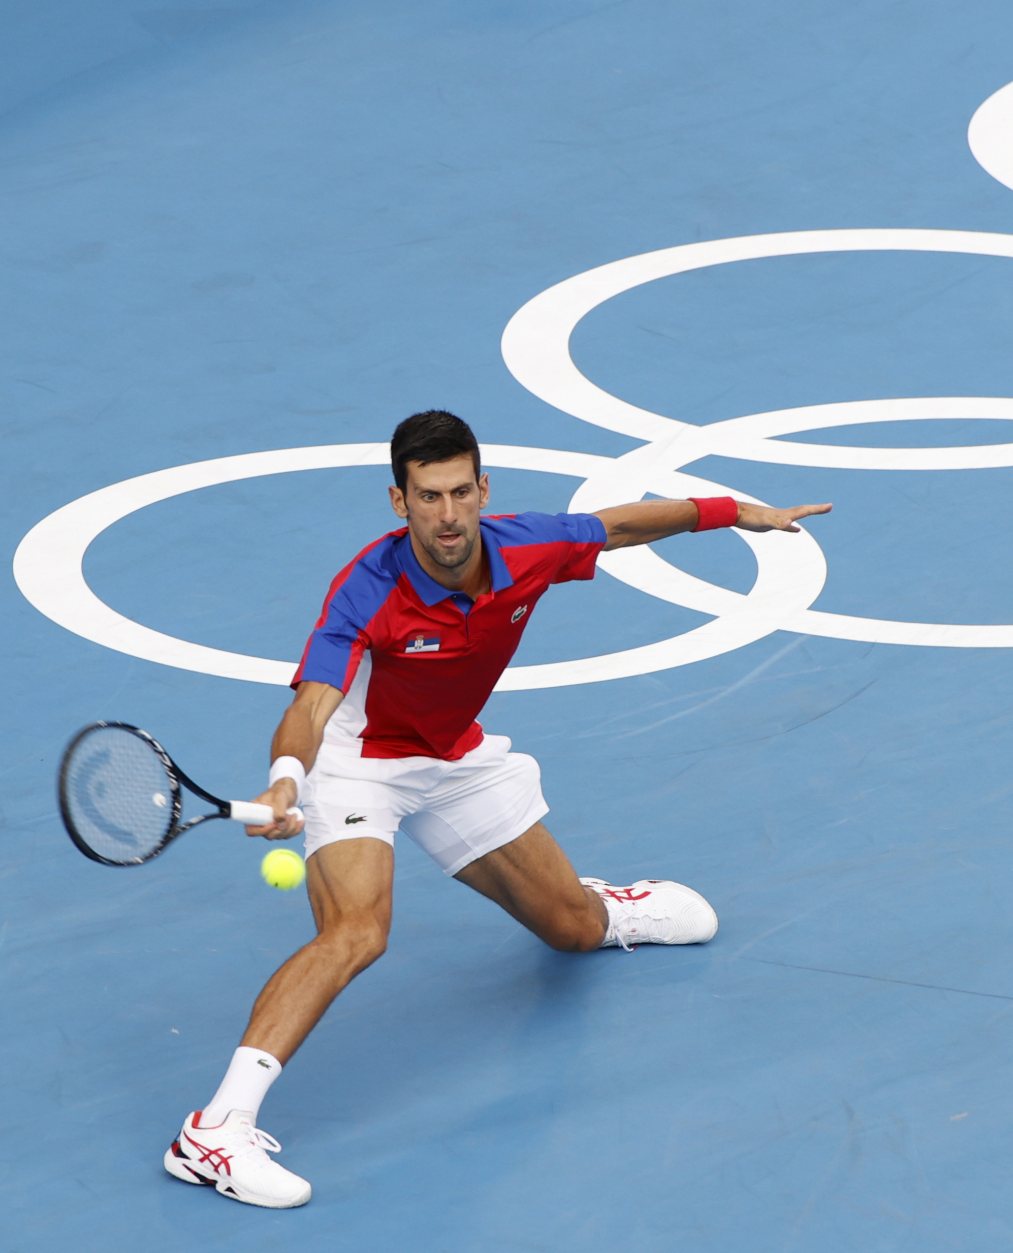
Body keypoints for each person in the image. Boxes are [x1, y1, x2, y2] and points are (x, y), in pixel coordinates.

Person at [160, 410, 830, 1207]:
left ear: (483, 489)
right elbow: (312, 704)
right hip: (358, 765)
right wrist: (284, 780)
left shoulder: (526, 545)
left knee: (574, 930)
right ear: (397, 502)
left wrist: (732, 512)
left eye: (459, 492)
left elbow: (616, 527)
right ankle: (214, 1132)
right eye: (427, 496)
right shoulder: (366, 589)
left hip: (454, 758)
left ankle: (606, 906)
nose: (447, 516)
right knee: (357, 931)